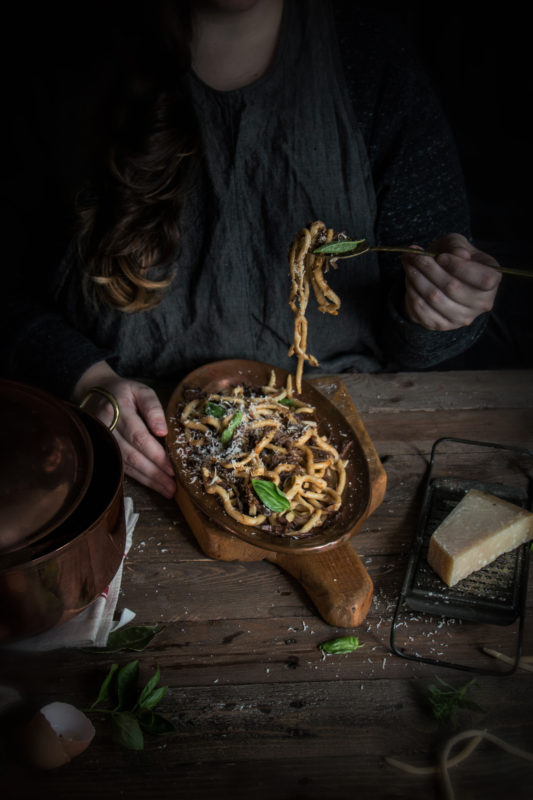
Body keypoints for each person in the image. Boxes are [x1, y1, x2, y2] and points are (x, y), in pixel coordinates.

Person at [3, 0, 501, 499]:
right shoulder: (64, 56)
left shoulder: (369, 51)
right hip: (126, 442)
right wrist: (81, 375)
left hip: (343, 430)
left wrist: (439, 312)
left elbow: (424, 339)